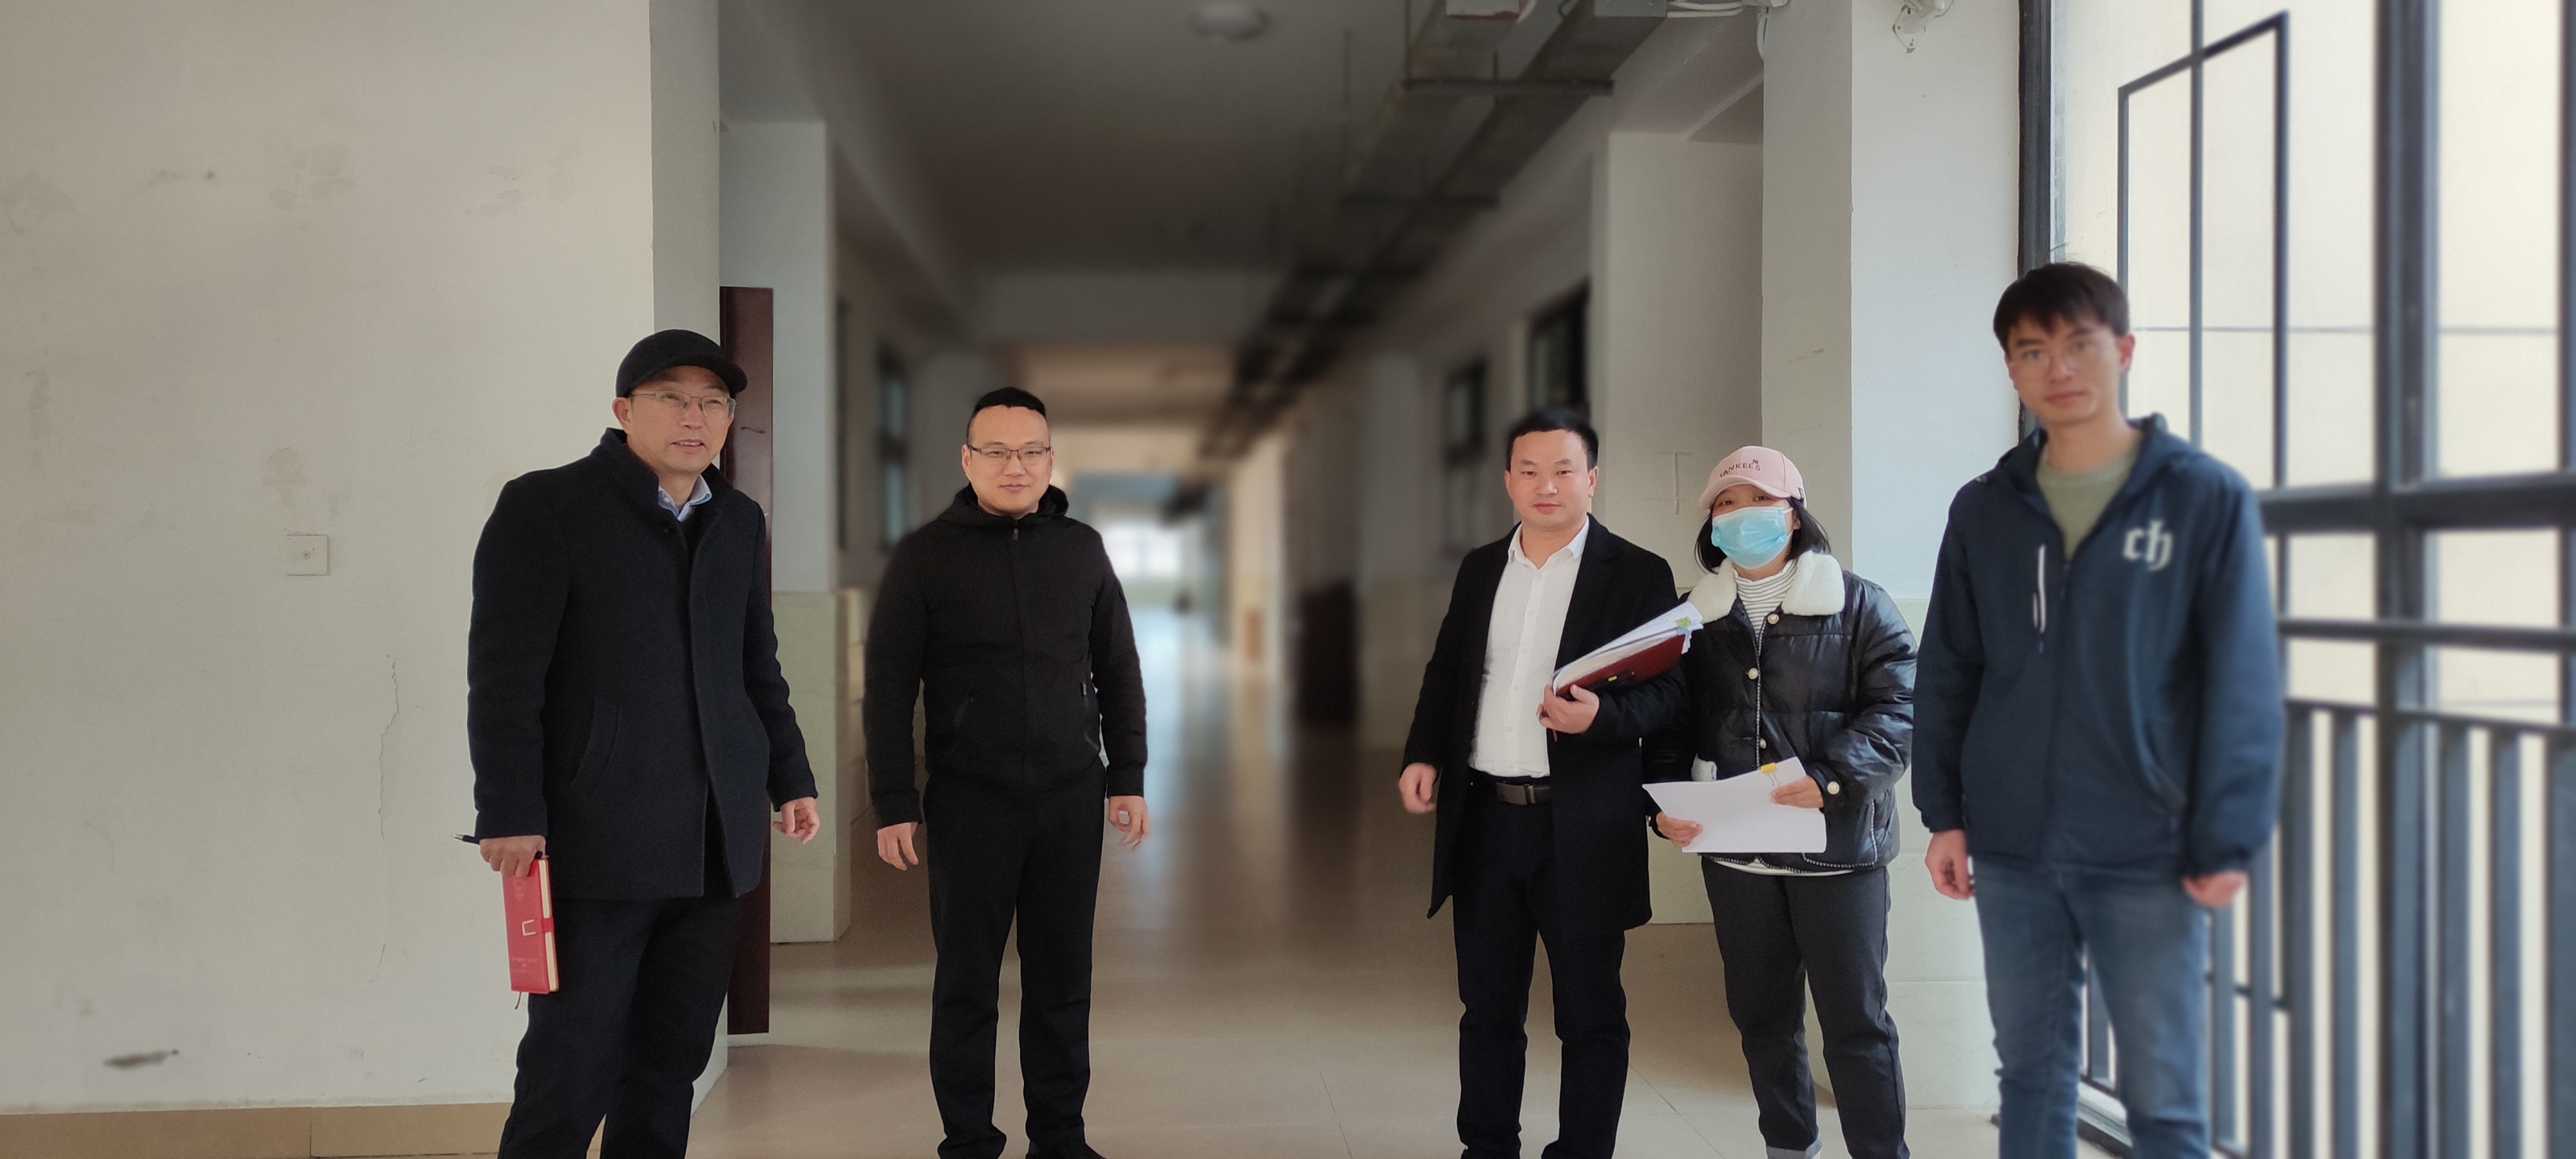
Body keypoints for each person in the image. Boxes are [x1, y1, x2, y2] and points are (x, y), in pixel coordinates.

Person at [1913, 263, 2283, 1158]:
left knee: (2164, 1095)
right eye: (2032, 351)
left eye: (2079, 344)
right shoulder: (1985, 509)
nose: (2059, 368)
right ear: (2010, 369)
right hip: (2012, 841)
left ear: (2123, 350)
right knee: (2030, 1076)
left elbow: (2242, 676)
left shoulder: (2201, 496)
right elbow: (1951, 666)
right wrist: (1944, 814)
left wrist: (2227, 835)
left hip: (2149, 841)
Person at [468, 329, 822, 1159]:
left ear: (729, 420)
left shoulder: (738, 519)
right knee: (569, 1068)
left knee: (670, 1068)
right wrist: (509, 809)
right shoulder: (547, 506)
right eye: (671, 398)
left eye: (712, 402)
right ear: (624, 410)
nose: (693, 417)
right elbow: (505, 676)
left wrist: (790, 775)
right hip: (599, 840)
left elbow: (755, 665)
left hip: (714, 844)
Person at [864, 386, 1148, 1159]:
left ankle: (1060, 1137)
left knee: (1062, 981)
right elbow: (889, 686)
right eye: (996, 451)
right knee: (966, 984)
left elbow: (1117, 667)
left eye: (1030, 451)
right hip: (970, 799)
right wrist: (893, 800)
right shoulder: (925, 556)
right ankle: (968, 1141)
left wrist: (1126, 773)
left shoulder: (1082, 550)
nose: (1014, 465)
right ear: (967, 460)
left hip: (1069, 794)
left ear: (1051, 460)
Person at [1397, 408, 1686, 1159]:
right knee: (1486, 1008)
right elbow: (1448, 673)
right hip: (1486, 820)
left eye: (1563, 470)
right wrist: (1423, 754)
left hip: (1583, 826)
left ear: (1592, 479)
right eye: (1529, 471)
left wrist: (1604, 719)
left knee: (1590, 1014)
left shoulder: (1639, 574)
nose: (1545, 485)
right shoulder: (1480, 568)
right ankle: (1487, 1146)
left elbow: (1671, 695)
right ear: (1507, 481)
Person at [1645, 446, 1918, 1159]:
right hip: (1738, 858)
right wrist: (1663, 802)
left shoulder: (1859, 604)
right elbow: (1669, 720)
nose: (1742, 516)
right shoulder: (1693, 616)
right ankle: (1789, 1147)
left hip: (1838, 853)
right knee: (1762, 1019)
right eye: (1725, 504)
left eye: (1759, 501)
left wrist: (1832, 777)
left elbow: (1902, 710)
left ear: (1793, 516)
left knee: (1856, 1025)